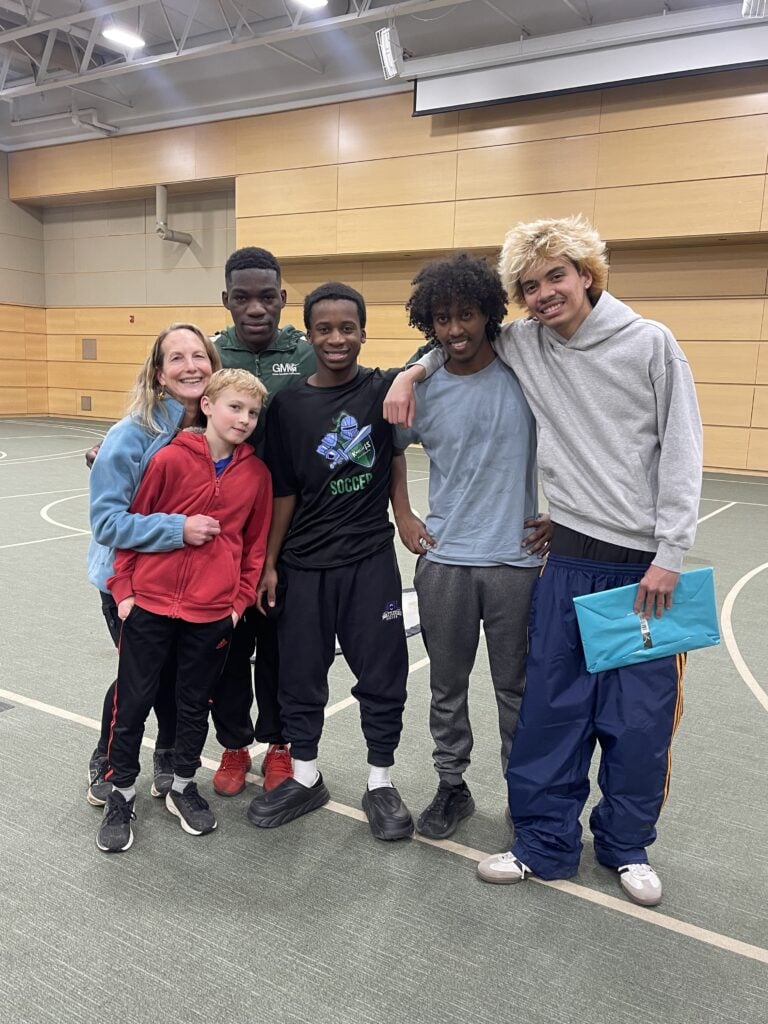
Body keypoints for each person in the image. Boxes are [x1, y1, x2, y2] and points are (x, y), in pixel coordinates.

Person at [384, 215, 703, 905]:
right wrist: (414, 368)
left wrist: (672, 552)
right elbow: (456, 338)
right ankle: (543, 843)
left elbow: (682, 452)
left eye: (556, 276)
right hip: (563, 561)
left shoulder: (652, 343)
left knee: (639, 723)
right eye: (530, 285)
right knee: (552, 714)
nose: (545, 293)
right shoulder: (525, 344)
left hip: (644, 570)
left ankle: (626, 846)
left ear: (587, 274)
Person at [390, 252, 550, 840]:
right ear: (427, 324)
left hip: (517, 562)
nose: (454, 329)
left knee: (516, 688)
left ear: (488, 313)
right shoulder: (420, 390)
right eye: (441, 319)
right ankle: (451, 787)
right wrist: (403, 512)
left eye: (466, 315)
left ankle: (523, 792)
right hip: (445, 560)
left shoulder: (524, 370)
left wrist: (561, 514)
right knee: (445, 687)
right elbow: (390, 449)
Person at [246, 282, 413, 842]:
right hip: (304, 566)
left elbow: (391, 457)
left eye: (348, 327)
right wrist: (269, 562)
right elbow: (284, 491)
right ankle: (306, 776)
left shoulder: (383, 389)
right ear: (309, 335)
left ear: (364, 332)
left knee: (383, 674)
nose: (337, 338)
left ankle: (380, 781)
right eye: (324, 328)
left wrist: (406, 515)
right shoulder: (288, 406)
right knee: (300, 675)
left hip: (369, 562)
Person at [97, 368, 272, 853]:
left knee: (195, 704)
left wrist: (236, 604)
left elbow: (253, 548)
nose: (244, 419)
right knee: (133, 704)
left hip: (211, 613)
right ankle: (122, 792)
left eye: (253, 412)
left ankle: (182, 784)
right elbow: (132, 522)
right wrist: (125, 589)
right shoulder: (171, 460)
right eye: (235, 407)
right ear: (209, 406)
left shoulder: (256, 475)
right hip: (149, 605)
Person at [87, 324, 222, 806]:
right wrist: (177, 529)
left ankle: (167, 754)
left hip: (192, 584)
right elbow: (107, 523)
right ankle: (107, 759)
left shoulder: (217, 429)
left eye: (199, 356)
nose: (191, 366)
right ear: (160, 374)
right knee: (138, 677)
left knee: (177, 675)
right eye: (178, 358)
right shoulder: (132, 434)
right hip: (128, 583)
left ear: (213, 363)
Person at [209, 246, 316, 798]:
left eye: (267, 296)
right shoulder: (208, 353)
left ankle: (279, 743)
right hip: (221, 533)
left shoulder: (304, 354)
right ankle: (233, 744)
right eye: (243, 297)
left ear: (282, 298)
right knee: (227, 643)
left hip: (285, 532)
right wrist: (112, 442)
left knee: (278, 646)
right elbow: (165, 403)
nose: (256, 308)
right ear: (225, 300)